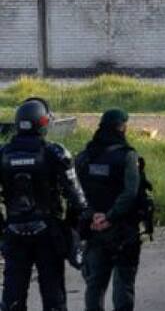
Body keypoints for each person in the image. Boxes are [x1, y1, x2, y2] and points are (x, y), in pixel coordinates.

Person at [0, 98, 92, 311]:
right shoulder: (55, 153)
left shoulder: (3, 154)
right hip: (48, 234)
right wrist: (71, 229)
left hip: (14, 233)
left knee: (12, 298)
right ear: (43, 123)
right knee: (54, 298)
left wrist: (3, 228)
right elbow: (78, 199)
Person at [77, 108, 145, 311]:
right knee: (123, 283)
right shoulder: (127, 156)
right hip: (122, 230)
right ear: (121, 127)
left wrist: (93, 216)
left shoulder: (85, 156)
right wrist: (110, 217)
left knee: (95, 284)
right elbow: (130, 193)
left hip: (93, 229)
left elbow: (76, 192)